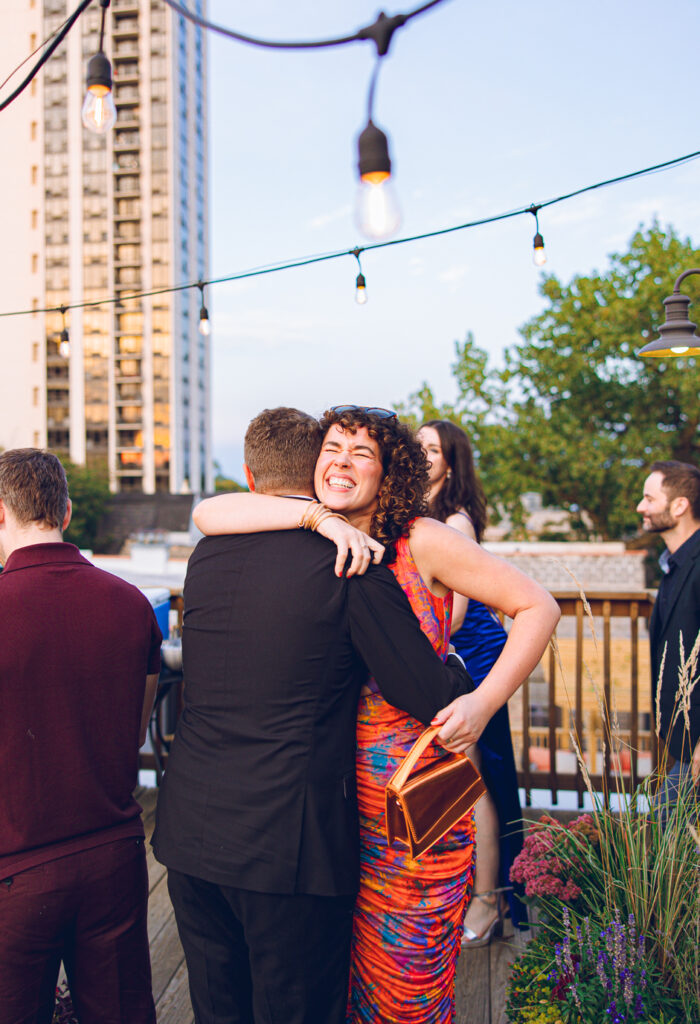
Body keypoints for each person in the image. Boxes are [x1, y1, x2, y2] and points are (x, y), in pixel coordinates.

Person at [194, 406, 560, 1024]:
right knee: (341, 983)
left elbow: (538, 607)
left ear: (389, 474)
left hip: (417, 795)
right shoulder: (314, 532)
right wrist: (312, 515)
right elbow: (208, 512)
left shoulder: (423, 539)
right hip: (337, 809)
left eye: (360, 454)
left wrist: (482, 701)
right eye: (331, 448)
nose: (340, 462)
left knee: (405, 984)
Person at [152, 407, 477, 1024]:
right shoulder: (351, 562)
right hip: (288, 850)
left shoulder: (209, 555)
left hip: (191, 832)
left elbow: (210, 513)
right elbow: (428, 693)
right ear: (317, 469)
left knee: (218, 1010)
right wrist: (455, 660)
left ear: (251, 477)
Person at [0, 448, 162, 1024]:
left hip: (15, 867)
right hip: (112, 856)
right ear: (66, 513)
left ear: (1, 513)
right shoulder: (130, 602)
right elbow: (134, 727)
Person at [417, 419, 529, 942]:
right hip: (446, 652)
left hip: (473, 654)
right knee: (462, 776)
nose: (420, 453)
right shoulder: (419, 513)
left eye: (431, 448)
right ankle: (470, 891)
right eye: (416, 444)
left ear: (450, 463)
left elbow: (455, 615)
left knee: (477, 781)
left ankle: (488, 902)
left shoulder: (454, 522)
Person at [637, 460, 700, 807]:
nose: (640, 507)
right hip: (684, 744)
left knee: (664, 819)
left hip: (697, 744)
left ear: (679, 505)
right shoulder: (674, 563)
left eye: (649, 498)